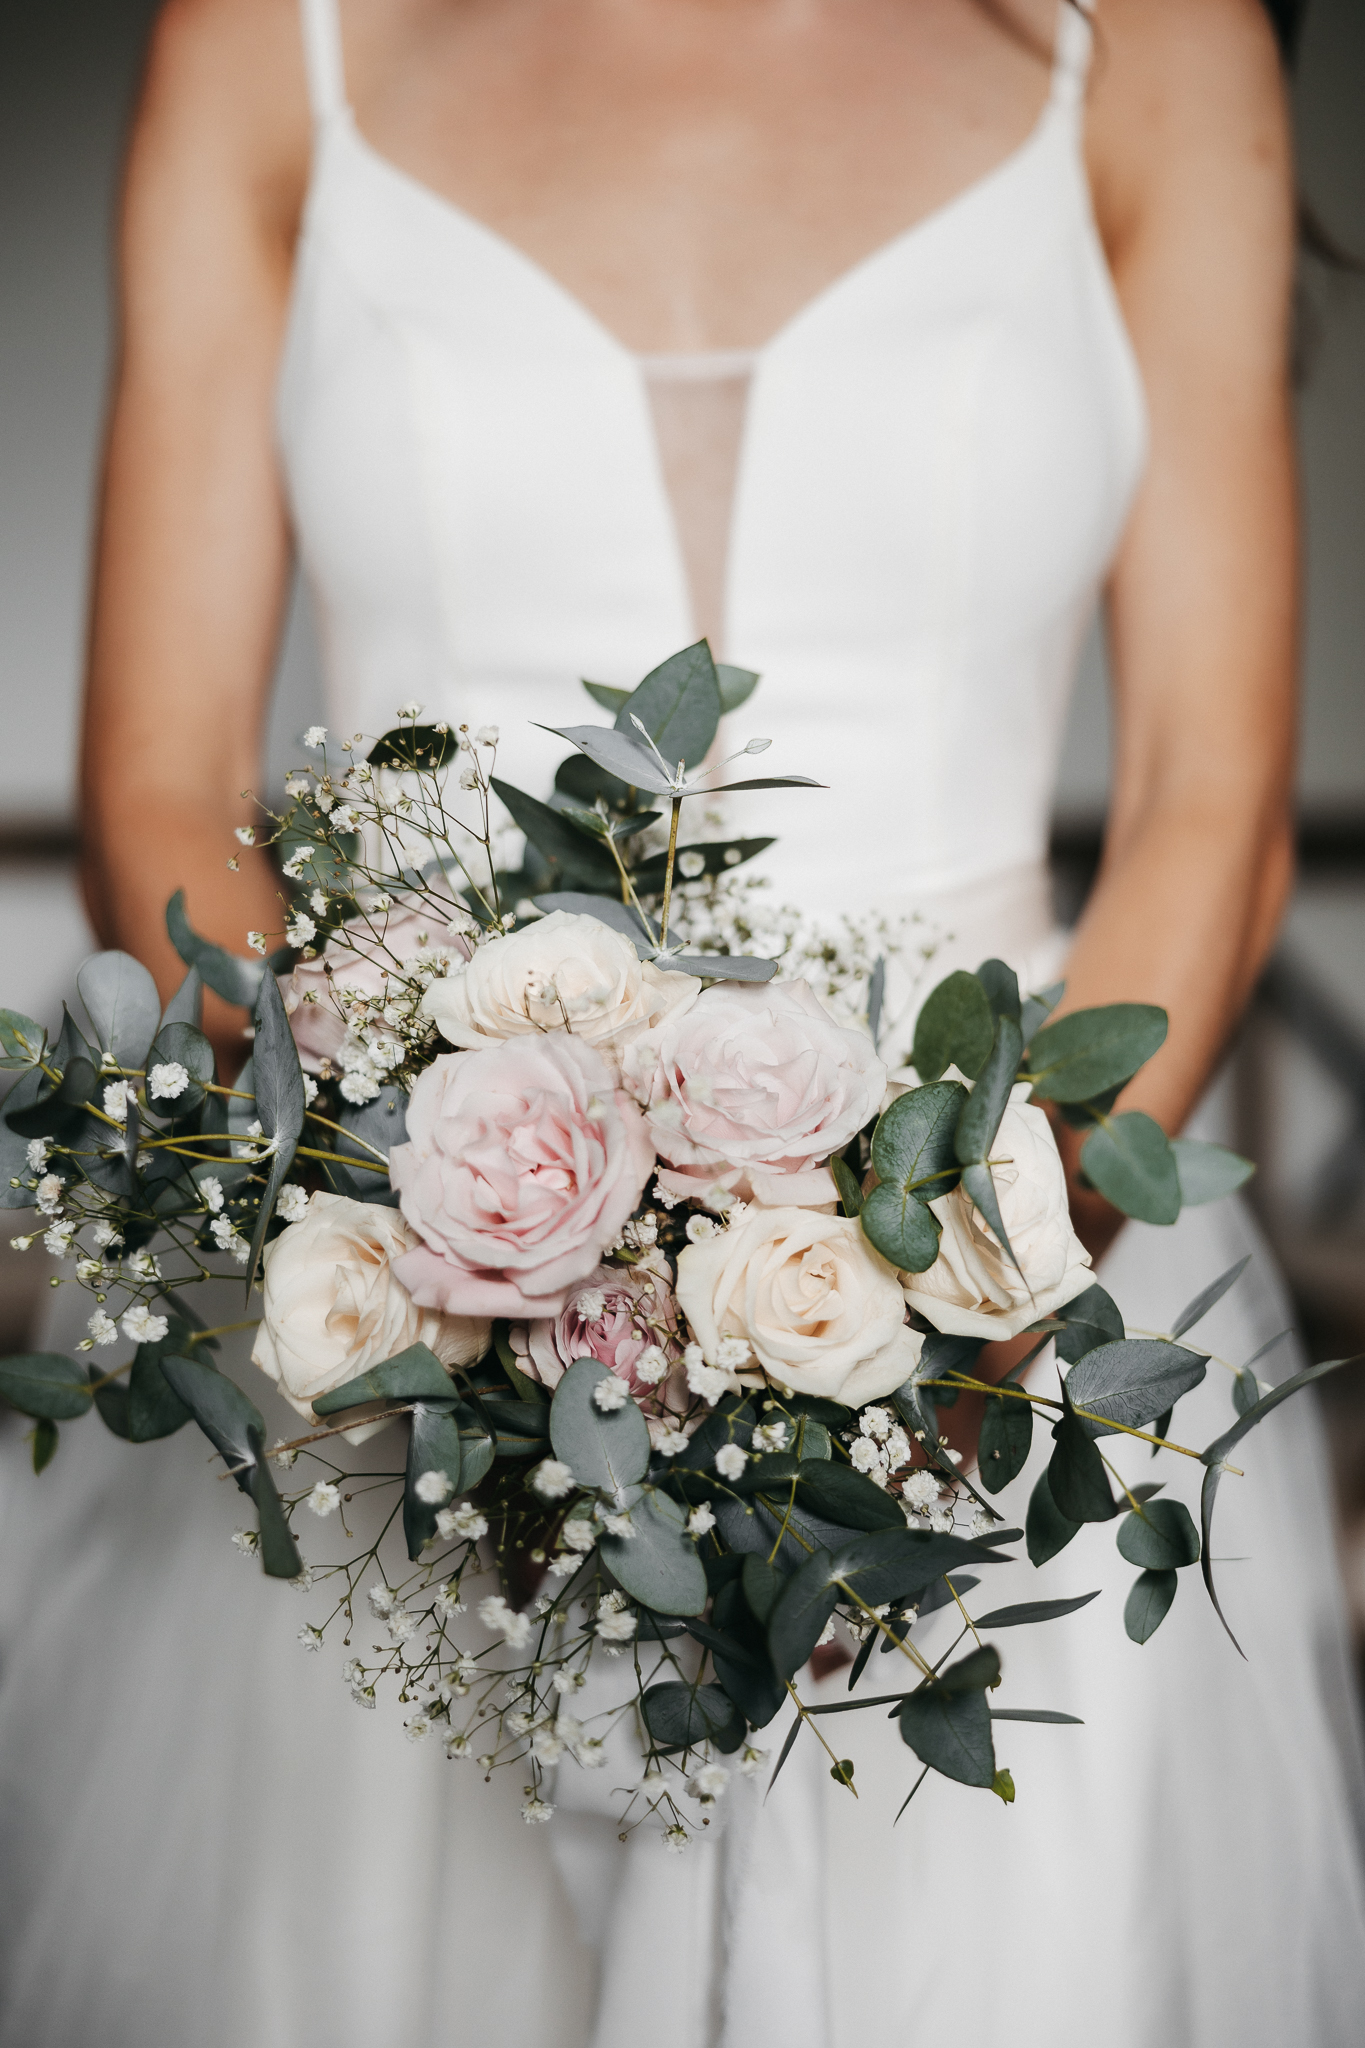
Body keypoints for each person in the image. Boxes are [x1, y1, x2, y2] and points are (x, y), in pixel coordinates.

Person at [1, 0, 1361, 2042]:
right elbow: (157, 787)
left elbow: (1204, 798)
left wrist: (959, 1289)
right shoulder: (269, 38)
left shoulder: (1149, 45)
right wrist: (428, 1260)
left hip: (996, 1261)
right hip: (384, 1298)